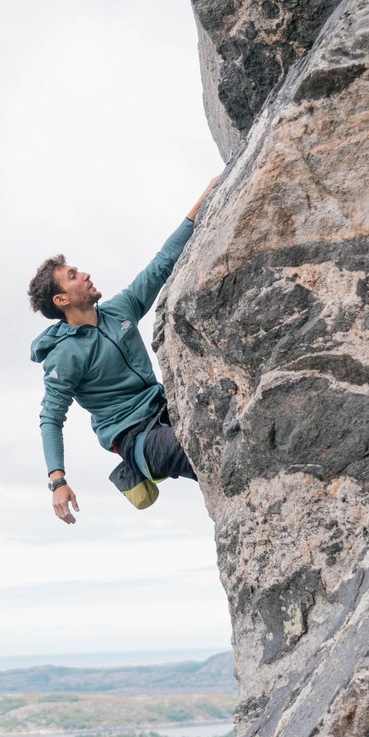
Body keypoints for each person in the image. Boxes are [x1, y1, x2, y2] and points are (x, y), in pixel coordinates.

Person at [27, 177, 220, 524]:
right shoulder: (65, 355)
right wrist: (58, 480)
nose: (85, 274)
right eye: (73, 276)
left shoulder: (119, 310)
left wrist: (203, 202)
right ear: (62, 299)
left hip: (166, 408)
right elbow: (51, 418)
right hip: (136, 438)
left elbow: (161, 265)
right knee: (206, 449)